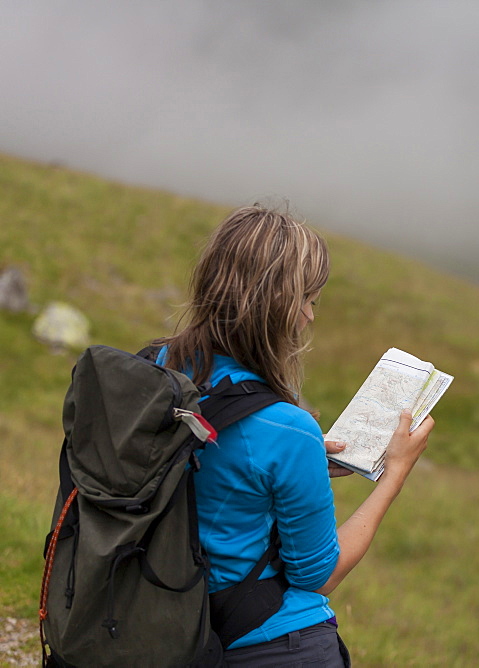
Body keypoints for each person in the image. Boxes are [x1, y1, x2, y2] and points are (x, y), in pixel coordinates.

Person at [154, 205, 434, 667]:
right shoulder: (285, 428)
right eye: (307, 299)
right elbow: (319, 577)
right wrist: (394, 474)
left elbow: (214, 467)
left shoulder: (153, 368)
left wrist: (298, 460)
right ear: (276, 309)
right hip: (262, 644)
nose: (308, 315)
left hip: (152, 616)